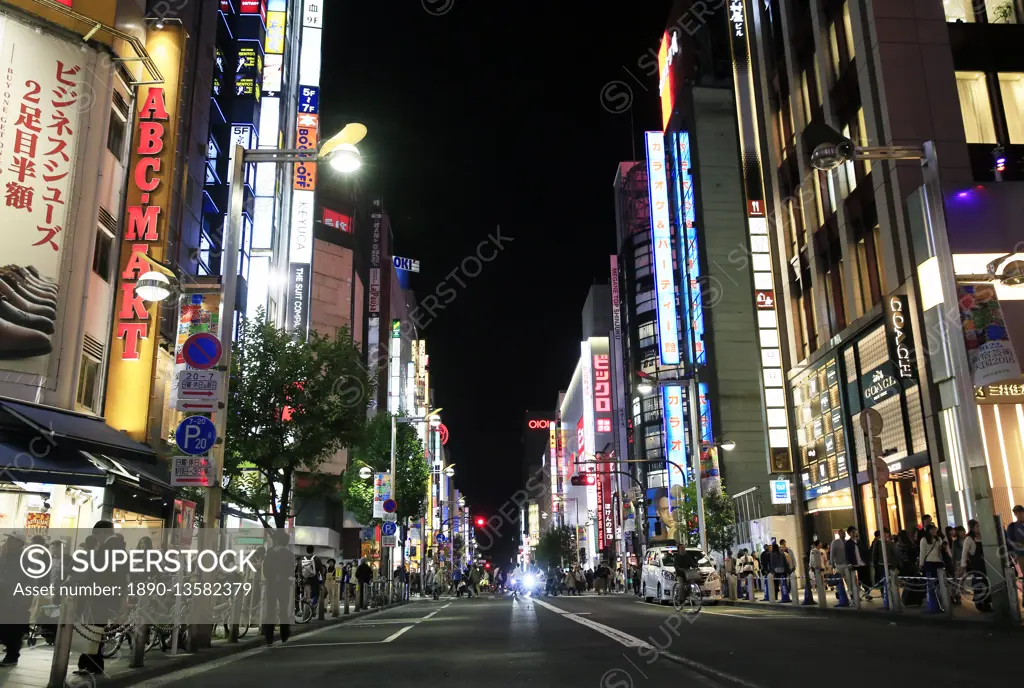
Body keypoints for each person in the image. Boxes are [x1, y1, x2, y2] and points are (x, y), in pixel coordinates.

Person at [0, 535, 30, 666]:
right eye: (8, 540)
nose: (8, 542)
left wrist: (26, 597)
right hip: (4, 597)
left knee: (13, 629)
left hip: (16, 599)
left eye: (12, 540)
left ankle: (12, 656)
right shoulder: (5, 556)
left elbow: (31, 579)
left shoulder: (25, 558)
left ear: (19, 543)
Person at [261, 530, 294, 645]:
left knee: (270, 610)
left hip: (271, 585)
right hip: (284, 585)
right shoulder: (289, 554)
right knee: (283, 610)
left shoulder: (270, 552)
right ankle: (284, 633)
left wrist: (270, 578)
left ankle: (268, 635)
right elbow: (291, 571)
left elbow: (265, 568)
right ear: (286, 542)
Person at [961, 519, 992, 612]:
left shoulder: (983, 536)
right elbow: (964, 552)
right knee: (979, 583)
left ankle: (986, 602)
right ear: (972, 528)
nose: (979, 528)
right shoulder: (969, 539)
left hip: (986, 563)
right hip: (977, 564)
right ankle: (979, 602)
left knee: (987, 583)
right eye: (977, 526)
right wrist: (963, 564)